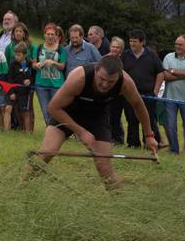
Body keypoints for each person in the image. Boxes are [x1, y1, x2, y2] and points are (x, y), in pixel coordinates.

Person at [27, 56, 158, 190]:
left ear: (118, 77)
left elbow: (138, 105)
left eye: (111, 81)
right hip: (67, 113)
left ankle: (119, 203)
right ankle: (23, 186)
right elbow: (53, 108)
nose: (105, 84)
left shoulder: (126, 82)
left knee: (104, 165)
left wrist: (149, 135)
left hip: (97, 117)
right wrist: (81, 132)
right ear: (96, 70)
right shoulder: (79, 78)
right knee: (46, 153)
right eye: (102, 79)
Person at [120, 30, 164, 148]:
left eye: (135, 41)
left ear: (142, 42)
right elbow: (121, 72)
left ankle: (151, 143)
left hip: (148, 94)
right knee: (131, 119)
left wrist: (155, 90)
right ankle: (133, 143)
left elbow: (160, 73)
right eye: (130, 41)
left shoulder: (152, 56)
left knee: (149, 119)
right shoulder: (125, 55)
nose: (132, 44)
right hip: (129, 94)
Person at [162, 35, 185, 155]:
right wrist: (183, 74)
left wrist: (173, 71)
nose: (177, 46)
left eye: (180, 44)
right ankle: (174, 150)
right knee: (170, 126)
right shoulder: (168, 57)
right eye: (176, 44)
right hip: (170, 97)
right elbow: (165, 76)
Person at [33, 23, 67, 125]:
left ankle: (57, 130)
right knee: (45, 111)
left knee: (55, 111)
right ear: (44, 35)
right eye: (48, 34)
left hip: (57, 85)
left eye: (52, 34)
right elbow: (33, 64)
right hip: (41, 85)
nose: (50, 36)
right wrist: (37, 65)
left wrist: (54, 63)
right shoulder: (38, 48)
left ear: (56, 36)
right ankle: (50, 131)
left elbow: (63, 66)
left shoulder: (61, 50)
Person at [6, 42, 34, 132]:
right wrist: (11, 92)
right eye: (15, 54)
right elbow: (9, 79)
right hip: (14, 90)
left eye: (19, 55)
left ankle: (27, 131)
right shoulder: (12, 63)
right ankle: (7, 131)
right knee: (8, 108)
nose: (16, 57)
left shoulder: (30, 64)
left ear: (25, 55)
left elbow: (33, 76)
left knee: (24, 111)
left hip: (24, 92)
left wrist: (30, 80)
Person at [106, 36, 125, 144]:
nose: (114, 49)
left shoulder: (123, 60)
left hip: (120, 92)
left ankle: (118, 138)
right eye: (113, 47)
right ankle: (108, 137)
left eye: (117, 47)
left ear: (121, 49)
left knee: (116, 116)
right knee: (107, 115)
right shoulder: (105, 59)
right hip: (107, 91)